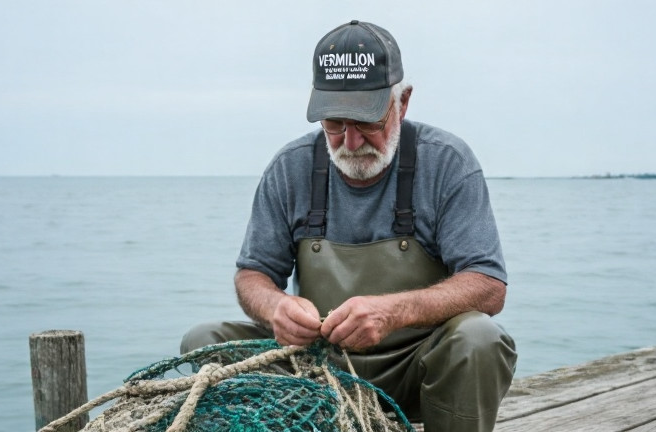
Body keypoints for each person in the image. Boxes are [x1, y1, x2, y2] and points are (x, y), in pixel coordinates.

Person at [181, 20, 517, 431]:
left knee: (479, 339)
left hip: (418, 373)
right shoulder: (291, 167)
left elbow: (488, 284)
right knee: (203, 342)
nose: (351, 142)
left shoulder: (447, 162)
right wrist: (277, 309)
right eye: (335, 124)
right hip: (314, 372)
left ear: (403, 102)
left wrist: (393, 311)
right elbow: (252, 274)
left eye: (367, 122)